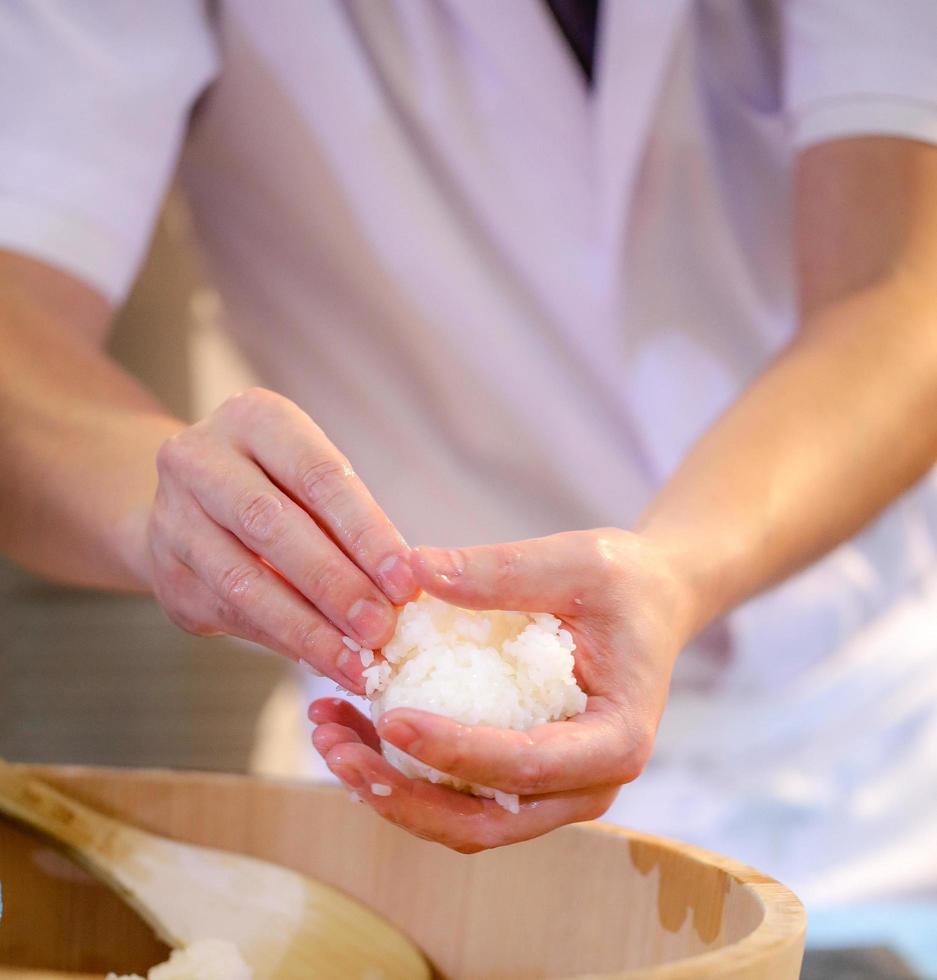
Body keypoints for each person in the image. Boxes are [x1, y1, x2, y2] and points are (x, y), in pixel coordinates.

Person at [1, 0, 936, 909]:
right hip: (402, 788)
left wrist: (675, 573)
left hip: (871, 759)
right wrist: (171, 512)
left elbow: (898, 292)